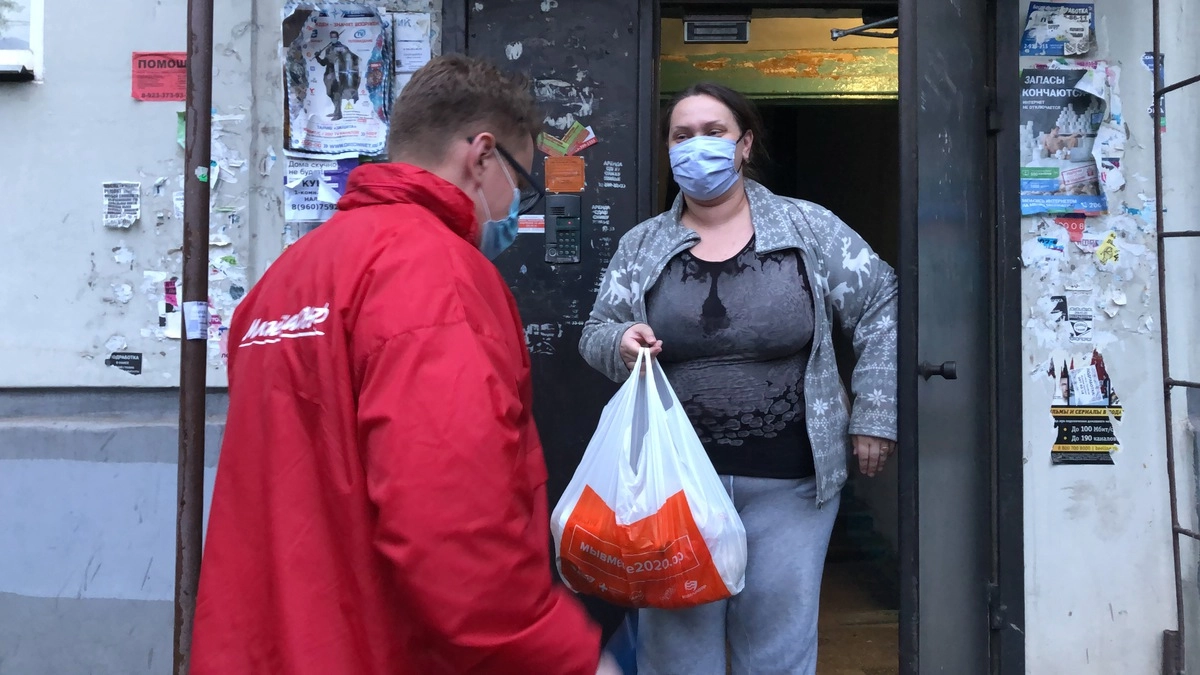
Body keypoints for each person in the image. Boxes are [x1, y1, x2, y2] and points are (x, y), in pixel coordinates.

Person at [191, 54, 619, 675]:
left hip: (264, 643)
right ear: (482, 156)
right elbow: (449, 520)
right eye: (523, 183)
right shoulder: (437, 276)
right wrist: (555, 653)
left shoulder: (286, 277)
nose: (517, 207)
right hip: (376, 646)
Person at [579, 82, 898, 675]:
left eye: (714, 132)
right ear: (668, 150)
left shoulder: (808, 229)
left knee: (776, 649)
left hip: (791, 485)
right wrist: (619, 342)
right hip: (672, 488)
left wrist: (875, 412)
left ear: (744, 144)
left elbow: (881, 300)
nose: (696, 146)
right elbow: (595, 331)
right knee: (677, 655)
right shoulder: (644, 245)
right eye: (682, 136)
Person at [315, 30, 359, 120]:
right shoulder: (328, 49)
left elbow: (352, 59)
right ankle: (336, 111)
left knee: (337, 93)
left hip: (338, 75)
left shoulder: (343, 48)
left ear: (338, 37)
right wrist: (317, 57)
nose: (333, 38)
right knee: (329, 93)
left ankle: (338, 114)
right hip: (328, 75)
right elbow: (323, 63)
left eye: (334, 37)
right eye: (331, 37)